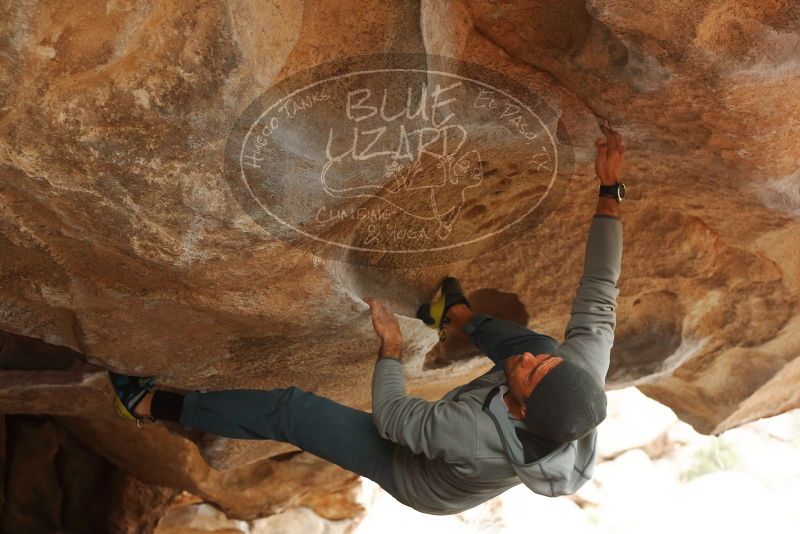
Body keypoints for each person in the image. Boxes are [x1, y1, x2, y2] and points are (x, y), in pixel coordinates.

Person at [110, 121, 625, 515]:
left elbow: (395, 418)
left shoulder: (468, 435)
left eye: (532, 374)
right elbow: (601, 292)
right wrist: (609, 190)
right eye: (545, 367)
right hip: (495, 416)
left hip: (419, 476)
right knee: (544, 343)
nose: (533, 359)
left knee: (293, 412)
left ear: (523, 411)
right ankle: (455, 315)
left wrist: (392, 347)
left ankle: (151, 402)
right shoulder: (576, 378)